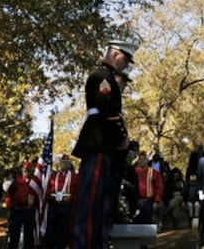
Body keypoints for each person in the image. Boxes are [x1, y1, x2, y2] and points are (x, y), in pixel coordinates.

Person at [72, 38, 138, 249]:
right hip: (99, 144)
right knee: (91, 205)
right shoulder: (101, 77)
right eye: (126, 60)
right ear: (116, 54)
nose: (126, 65)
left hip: (105, 147)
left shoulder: (106, 77)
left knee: (101, 206)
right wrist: (122, 138)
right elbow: (108, 110)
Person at [44, 154, 78, 249]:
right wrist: (50, 196)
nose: (64, 164)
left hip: (66, 206)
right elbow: (48, 189)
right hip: (54, 205)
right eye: (62, 162)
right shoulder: (54, 176)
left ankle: (60, 246)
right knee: (51, 227)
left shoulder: (74, 177)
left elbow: (77, 191)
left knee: (63, 229)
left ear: (69, 164)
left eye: (66, 163)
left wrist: (71, 197)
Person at [5, 162, 40, 249]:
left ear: (31, 171)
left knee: (28, 234)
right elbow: (9, 194)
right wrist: (9, 206)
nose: (25, 171)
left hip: (29, 211)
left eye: (27, 170)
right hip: (17, 211)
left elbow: (39, 195)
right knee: (14, 233)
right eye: (24, 170)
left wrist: (34, 204)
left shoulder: (35, 182)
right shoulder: (17, 182)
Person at [133, 151, 163, 225]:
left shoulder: (154, 172)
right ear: (138, 161)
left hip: (149, 200)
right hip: (135, 200)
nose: (142, 161)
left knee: (147, 218)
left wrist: (157, 200)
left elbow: (159, 187)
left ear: (147, 160)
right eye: (140, 159)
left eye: (144, 159)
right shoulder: (133, 172)